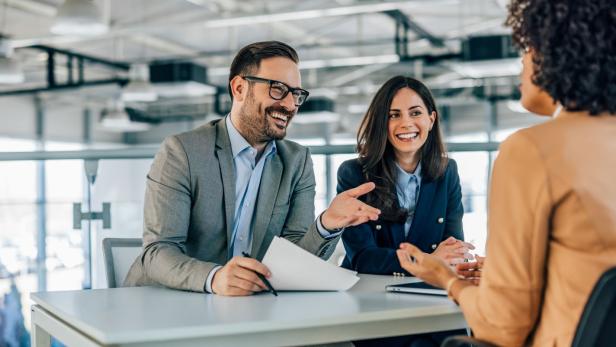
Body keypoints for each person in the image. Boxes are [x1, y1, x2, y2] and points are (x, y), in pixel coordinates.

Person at [396, 0, 616, 346]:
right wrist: (502, 274)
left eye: (527, 48)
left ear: (556, 53)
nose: (521, 63)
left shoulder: (533, 150)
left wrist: (448, 281)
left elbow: (503, 327)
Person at [124, 41, 380, 296]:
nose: (290, 105)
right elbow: (158, 251)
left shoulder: (297, 161)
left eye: (296, 94)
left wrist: (326, 224)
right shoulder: (182, 152)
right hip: (166, 302)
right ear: (239, 88)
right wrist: (214, 278)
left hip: (246, 307)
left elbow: (296, 259)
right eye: (278, 89)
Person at [336, 76, 473, 347]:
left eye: (415, 113)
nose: (406, 123)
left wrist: (455, 261)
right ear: (381, 123)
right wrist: (428, 261)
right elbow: (363, 258)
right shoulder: (354, 173)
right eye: (393, 115)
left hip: (430, 298)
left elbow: (452, 246)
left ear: (431, 120)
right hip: (371, 303)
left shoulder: (448, 172)